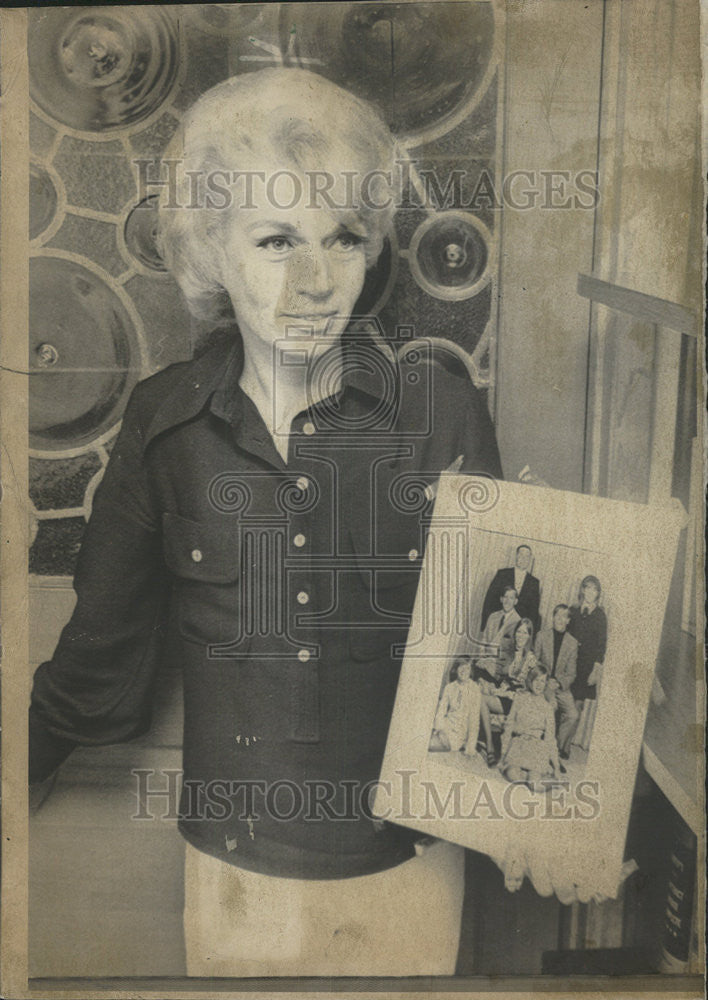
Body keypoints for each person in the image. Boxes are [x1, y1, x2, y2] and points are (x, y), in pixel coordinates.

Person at [27, 68, 504, 977]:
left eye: (344, 238)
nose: (316, 281)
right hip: (231, 877)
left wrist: (558, 827)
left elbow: (505, 659)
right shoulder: (164, 424)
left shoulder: (439, 412)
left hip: (411, 871)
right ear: (211, 249)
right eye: (277, 240)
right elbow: (102, 652)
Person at [478, 617, 537, 765]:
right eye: (518, 632)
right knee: (480, 697)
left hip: (517, 700)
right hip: (505, 694)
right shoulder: (508, 652)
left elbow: (528, 689)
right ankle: (490, 745)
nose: (520, 636)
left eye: (524, 633)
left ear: (529, 636)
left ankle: (490, 744)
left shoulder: (531, 658)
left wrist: (502, 693)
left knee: (484, 699)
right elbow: (502, 677)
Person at [499, 664, 560, 791]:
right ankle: (526, 776)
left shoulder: (548, 708)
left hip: (537, 748)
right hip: (519, 744)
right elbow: (509, 727)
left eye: (542, 681)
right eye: (536, 680)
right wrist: (503, 755)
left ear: (546, 684)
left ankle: (546, 779)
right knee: (513, 776)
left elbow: (550, 739)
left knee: (534, 785)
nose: (539, 684)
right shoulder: (520, 698)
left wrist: (557, 767)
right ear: (530, 680)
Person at [566, 575, 608, 753]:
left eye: (594, 589)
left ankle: (565, 745)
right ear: (582, 590)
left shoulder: (600, 615)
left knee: (578, 707)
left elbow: (601, 646)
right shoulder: (573, 610)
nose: (590, 592)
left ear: (598, 593)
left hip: (587, 668)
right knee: (564, 703)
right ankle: (554, 741)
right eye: (587, 588)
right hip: (570, 665)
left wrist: (595, 671)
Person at [534, 603, 579, 762]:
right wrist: (545, 680)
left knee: (573, 715)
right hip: (543, 682)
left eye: (564, 616)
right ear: (553, 617)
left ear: (568, 620)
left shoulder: (572, 643)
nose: (560, 619)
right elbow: (535, 662)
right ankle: (544, 749)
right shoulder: (542, 635)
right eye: (557, 615)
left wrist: (559, 683)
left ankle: (556, 748)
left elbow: (571, 673)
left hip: (561, 687)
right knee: (551, 706)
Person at [480, 544, 541, 634]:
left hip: (518, 630)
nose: (523, 558)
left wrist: (530, 634)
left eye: (526, 556)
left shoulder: (534, 582)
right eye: (521, 555)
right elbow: (489, 600)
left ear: (530, 560)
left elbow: (533, 612)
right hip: (497, 625)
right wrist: (485, 625)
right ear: (516, 556)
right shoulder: (502, 574)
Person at [429, 656, 481, 754]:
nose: (463, 671)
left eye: (467, 668)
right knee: (424, 736)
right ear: (456, 669)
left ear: (471, 671)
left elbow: (474, 719)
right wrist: (438, 728)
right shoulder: (449, 687)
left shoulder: (475, 689)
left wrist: (471, 745)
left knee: (431, 745)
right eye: (460, 667)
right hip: (446, 725)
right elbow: (441, 710)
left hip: (459, 732)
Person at [473, 585, 520, 683]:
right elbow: (484, 639)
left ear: (516, 601)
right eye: (505, 597)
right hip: (484, 661)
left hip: (500, 668)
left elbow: (513, 652)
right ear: (501, 599)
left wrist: (495, 665)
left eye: (511, 598)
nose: (507, 601)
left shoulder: (518, 622)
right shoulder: (493, 616)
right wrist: (482, 657)